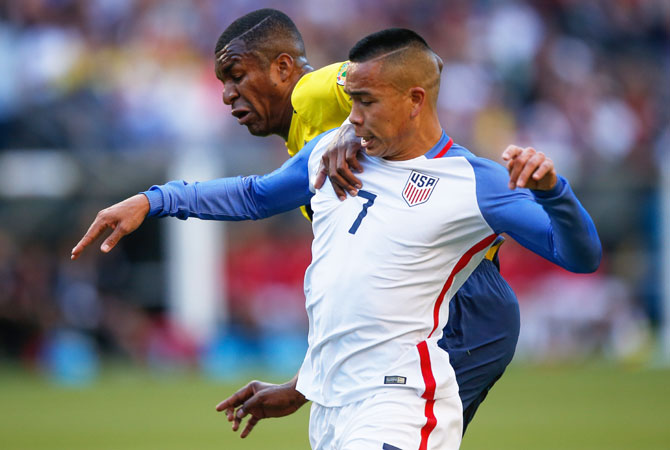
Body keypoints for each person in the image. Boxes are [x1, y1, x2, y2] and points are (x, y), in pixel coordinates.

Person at [70, 9, 529, 439]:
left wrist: (351, 130)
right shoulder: (305, 142)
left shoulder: (311, 95)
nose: (227, 93)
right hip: (428, 304)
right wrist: (302, 384)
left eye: (236, 75)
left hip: (463, 304)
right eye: (222, 82)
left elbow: (416, 66)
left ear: (284, 68)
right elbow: (265, 201)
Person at [145, 28, 600, 448]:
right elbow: (255, 197)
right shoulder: (333, 153)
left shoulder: (474, 182)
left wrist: (554, 193)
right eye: (351, 104)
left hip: (401, 401)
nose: (353, 119)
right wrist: (152, 202)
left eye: (365, 103)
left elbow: (579, 256)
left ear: (415, 100)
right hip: (333, 409)